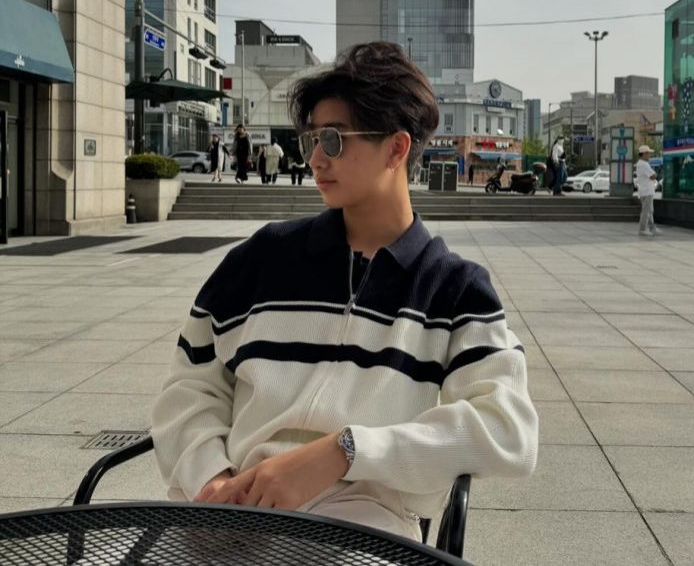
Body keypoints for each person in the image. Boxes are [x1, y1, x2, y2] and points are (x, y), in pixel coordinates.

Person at [151, 42, 537, 539]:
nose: (315, 159)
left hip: (367, 529)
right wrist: (210, 476)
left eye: (333, 140)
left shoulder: (452, 289)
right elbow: (190, 384)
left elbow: (508, 429)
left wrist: (346, 452)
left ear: (396, 148)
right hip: (229, 518)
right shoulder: (263, 258)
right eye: (313, 139)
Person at [636, 144, 660, 236]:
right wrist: (654, 175)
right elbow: (653, 176)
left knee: (649, 210)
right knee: (646, 211)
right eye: (648, 153)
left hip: (645, 190)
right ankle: (642, 229)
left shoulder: (641, 164)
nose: (650, 155)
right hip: (646, 191)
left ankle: (652, 227)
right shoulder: (644, 164)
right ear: (644, 154)